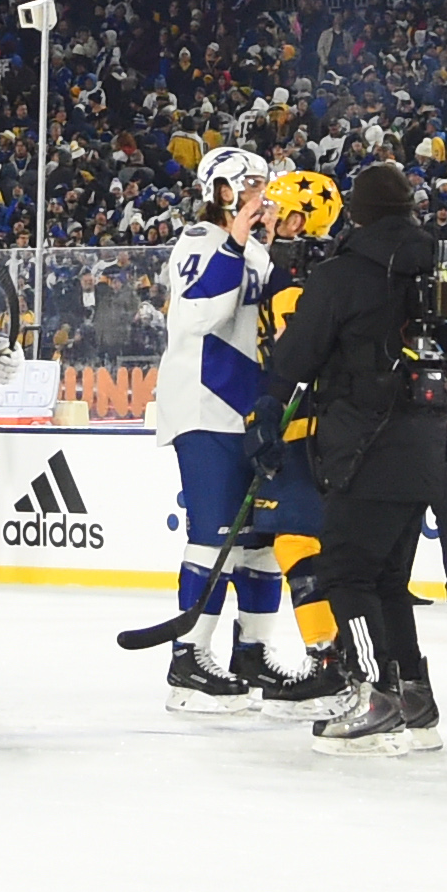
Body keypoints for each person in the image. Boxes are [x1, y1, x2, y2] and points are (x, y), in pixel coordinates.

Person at [255, 159, 447, 754]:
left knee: (344, 570)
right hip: (426, 439)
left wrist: (269, 405)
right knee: (389, 578)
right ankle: (416, 695)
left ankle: (376, 695)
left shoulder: (344, 274)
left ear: (358, 212)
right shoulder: (433, 270)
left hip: (364, 441)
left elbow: (297, 356)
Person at [129, 142, 280, 707]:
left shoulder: (256, 250)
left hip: (248, 408)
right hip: (204, 405)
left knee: (262, 540)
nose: (262, 193)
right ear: (222, 191)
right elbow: (202, 312)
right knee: (213, 532)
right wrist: (239, 239)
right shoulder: (198, 242)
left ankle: (253, 654)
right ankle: (188, 660)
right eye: (253, 184)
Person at [242, 169, 354, 715]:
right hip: (322, 423)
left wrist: (271, 414)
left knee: (297, 542)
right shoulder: (322, 268)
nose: (264, 217)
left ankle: (331, 661)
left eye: (273, 210)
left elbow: (294, 350)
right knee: (307, 543)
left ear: (295, 219)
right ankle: (337, 657)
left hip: (304, 424)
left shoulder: (291, 272)